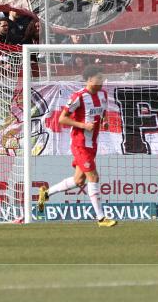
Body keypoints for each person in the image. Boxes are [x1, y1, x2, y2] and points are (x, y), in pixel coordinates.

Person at [36, 65, 118, 227]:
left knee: (79, 180)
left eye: (102, 78)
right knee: (93, 177)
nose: (102, 82)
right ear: (89, 80)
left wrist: (105, 120)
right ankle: (101, 218)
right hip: (80, 142)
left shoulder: (103, 94)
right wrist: (83, 125)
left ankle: (45, 194)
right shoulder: (78, 97)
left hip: (92, 143)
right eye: (99, 79)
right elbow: (62, 119)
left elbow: (102, 112)